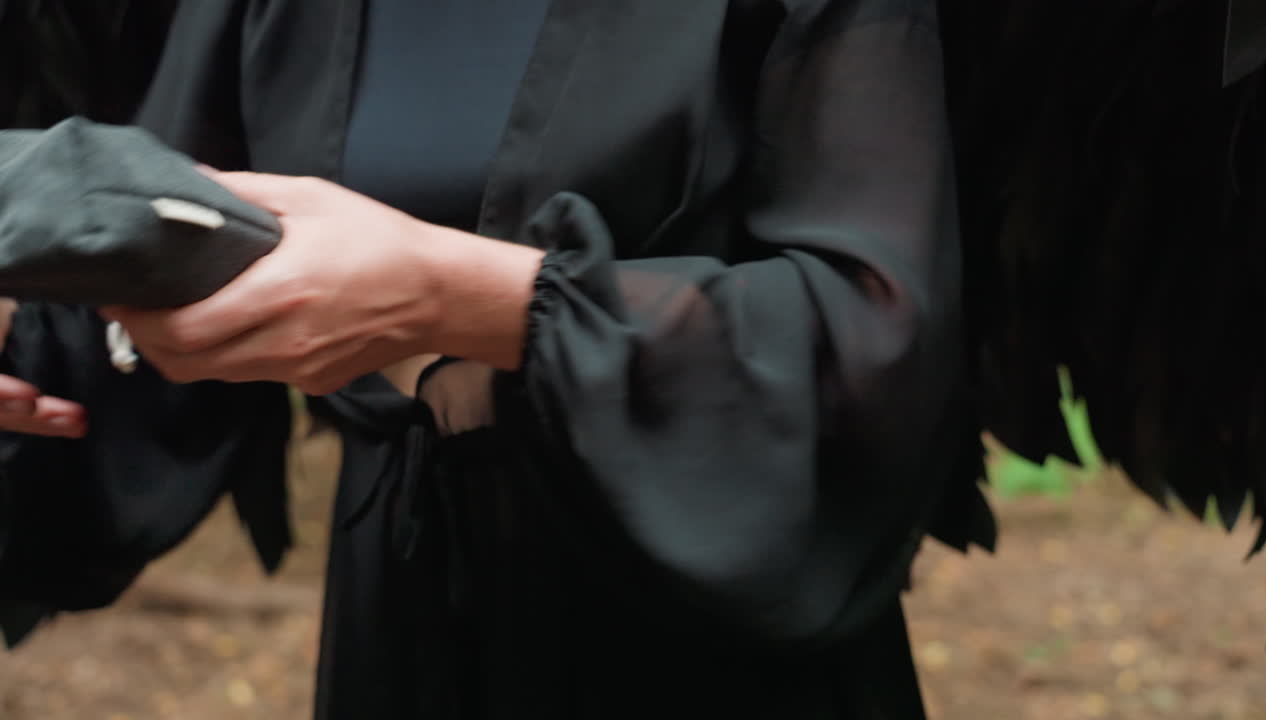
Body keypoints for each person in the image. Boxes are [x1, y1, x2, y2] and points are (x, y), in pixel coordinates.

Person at [0, 0, 993, 717]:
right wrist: (15, 332)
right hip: (399, 614)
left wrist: (471, 296)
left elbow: (873, 342)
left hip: (704, 642)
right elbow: (150, 284)